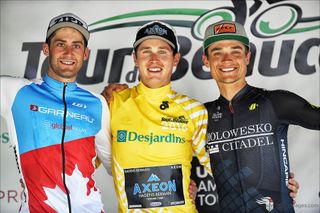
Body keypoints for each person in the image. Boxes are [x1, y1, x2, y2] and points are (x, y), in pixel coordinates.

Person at [202, 20, 319, 212]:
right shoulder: (199, 115)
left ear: (247, 57)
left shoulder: (276, 102)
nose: (227, 59)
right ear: (206, 60)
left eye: (236, 51)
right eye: (217, 52)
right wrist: (185, 186)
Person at [0, 13, 112, 212]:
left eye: (76, 46)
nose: (69, 52)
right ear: (46, 49)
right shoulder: (16, 91)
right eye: (60, 44)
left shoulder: (97, 103)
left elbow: (113, 163)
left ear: (85, 54)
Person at [107, 20, 212, 212]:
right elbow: (83, 159)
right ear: (135, 58)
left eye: (162, 52)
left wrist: (280, 185)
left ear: (176, 59)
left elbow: (223, 168)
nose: (154, 59)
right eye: (146, 51)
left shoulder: (194, 110)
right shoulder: (113, 104)